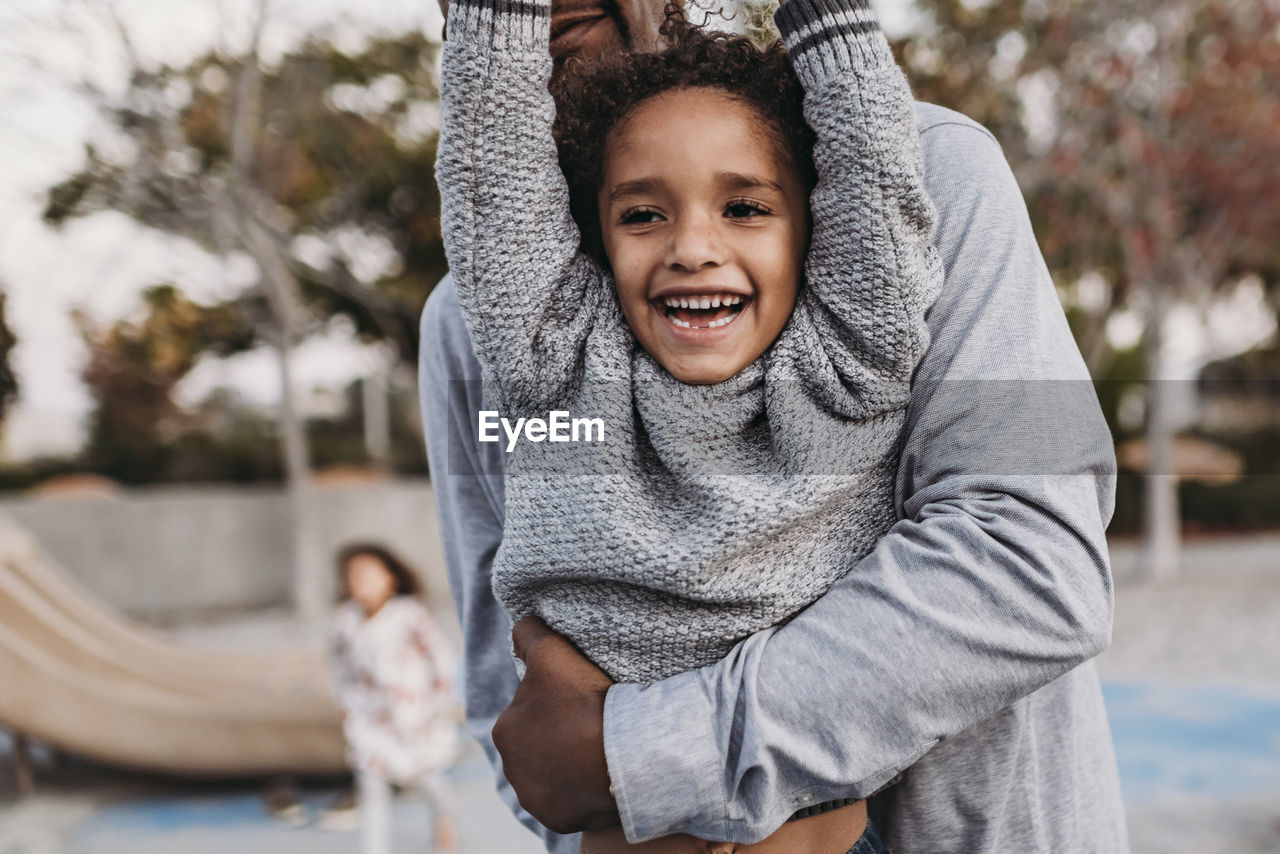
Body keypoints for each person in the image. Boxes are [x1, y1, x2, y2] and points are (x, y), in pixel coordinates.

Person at [420, 2, 1129, 854]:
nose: (694, 247)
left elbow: (1032, 564)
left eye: (746, 209)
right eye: (642, 214)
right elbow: (513, 701)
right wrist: (603, 812)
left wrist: (636, 756)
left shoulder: (933, 180)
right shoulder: (478, 328)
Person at [328, 543, 464, 854]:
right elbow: (338, 666)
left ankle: (445, 812)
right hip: (371, 720)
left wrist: (443, 703)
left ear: (391, 578)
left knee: (425, 778)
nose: (358, 581)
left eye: (367, 574)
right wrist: (347, 704)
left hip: (416, 716)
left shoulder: (410, 615)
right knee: (372, 788)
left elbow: (441, 659)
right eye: (352, 575)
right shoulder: (344, 621)